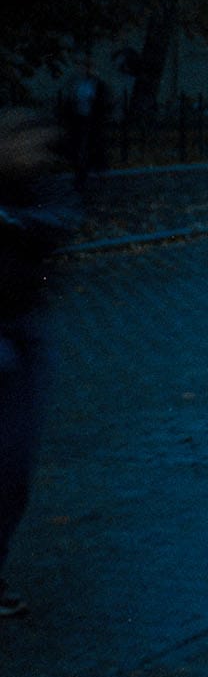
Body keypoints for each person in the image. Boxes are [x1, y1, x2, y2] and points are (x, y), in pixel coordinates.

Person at [0, 111, 71, 619]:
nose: (36, 153)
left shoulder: (43, 188)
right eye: (27, 142)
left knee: (15, 466)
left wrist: (12, 222)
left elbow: (61, 221)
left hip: (25, 330)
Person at [67, 58, 109, 194]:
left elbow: (103, 101)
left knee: (91, 146)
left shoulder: (98, 84)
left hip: (92, 119)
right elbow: (73, 99)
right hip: (79, 118)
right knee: (80, 146)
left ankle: (93, 171)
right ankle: (82, 174)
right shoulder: (77, 83)